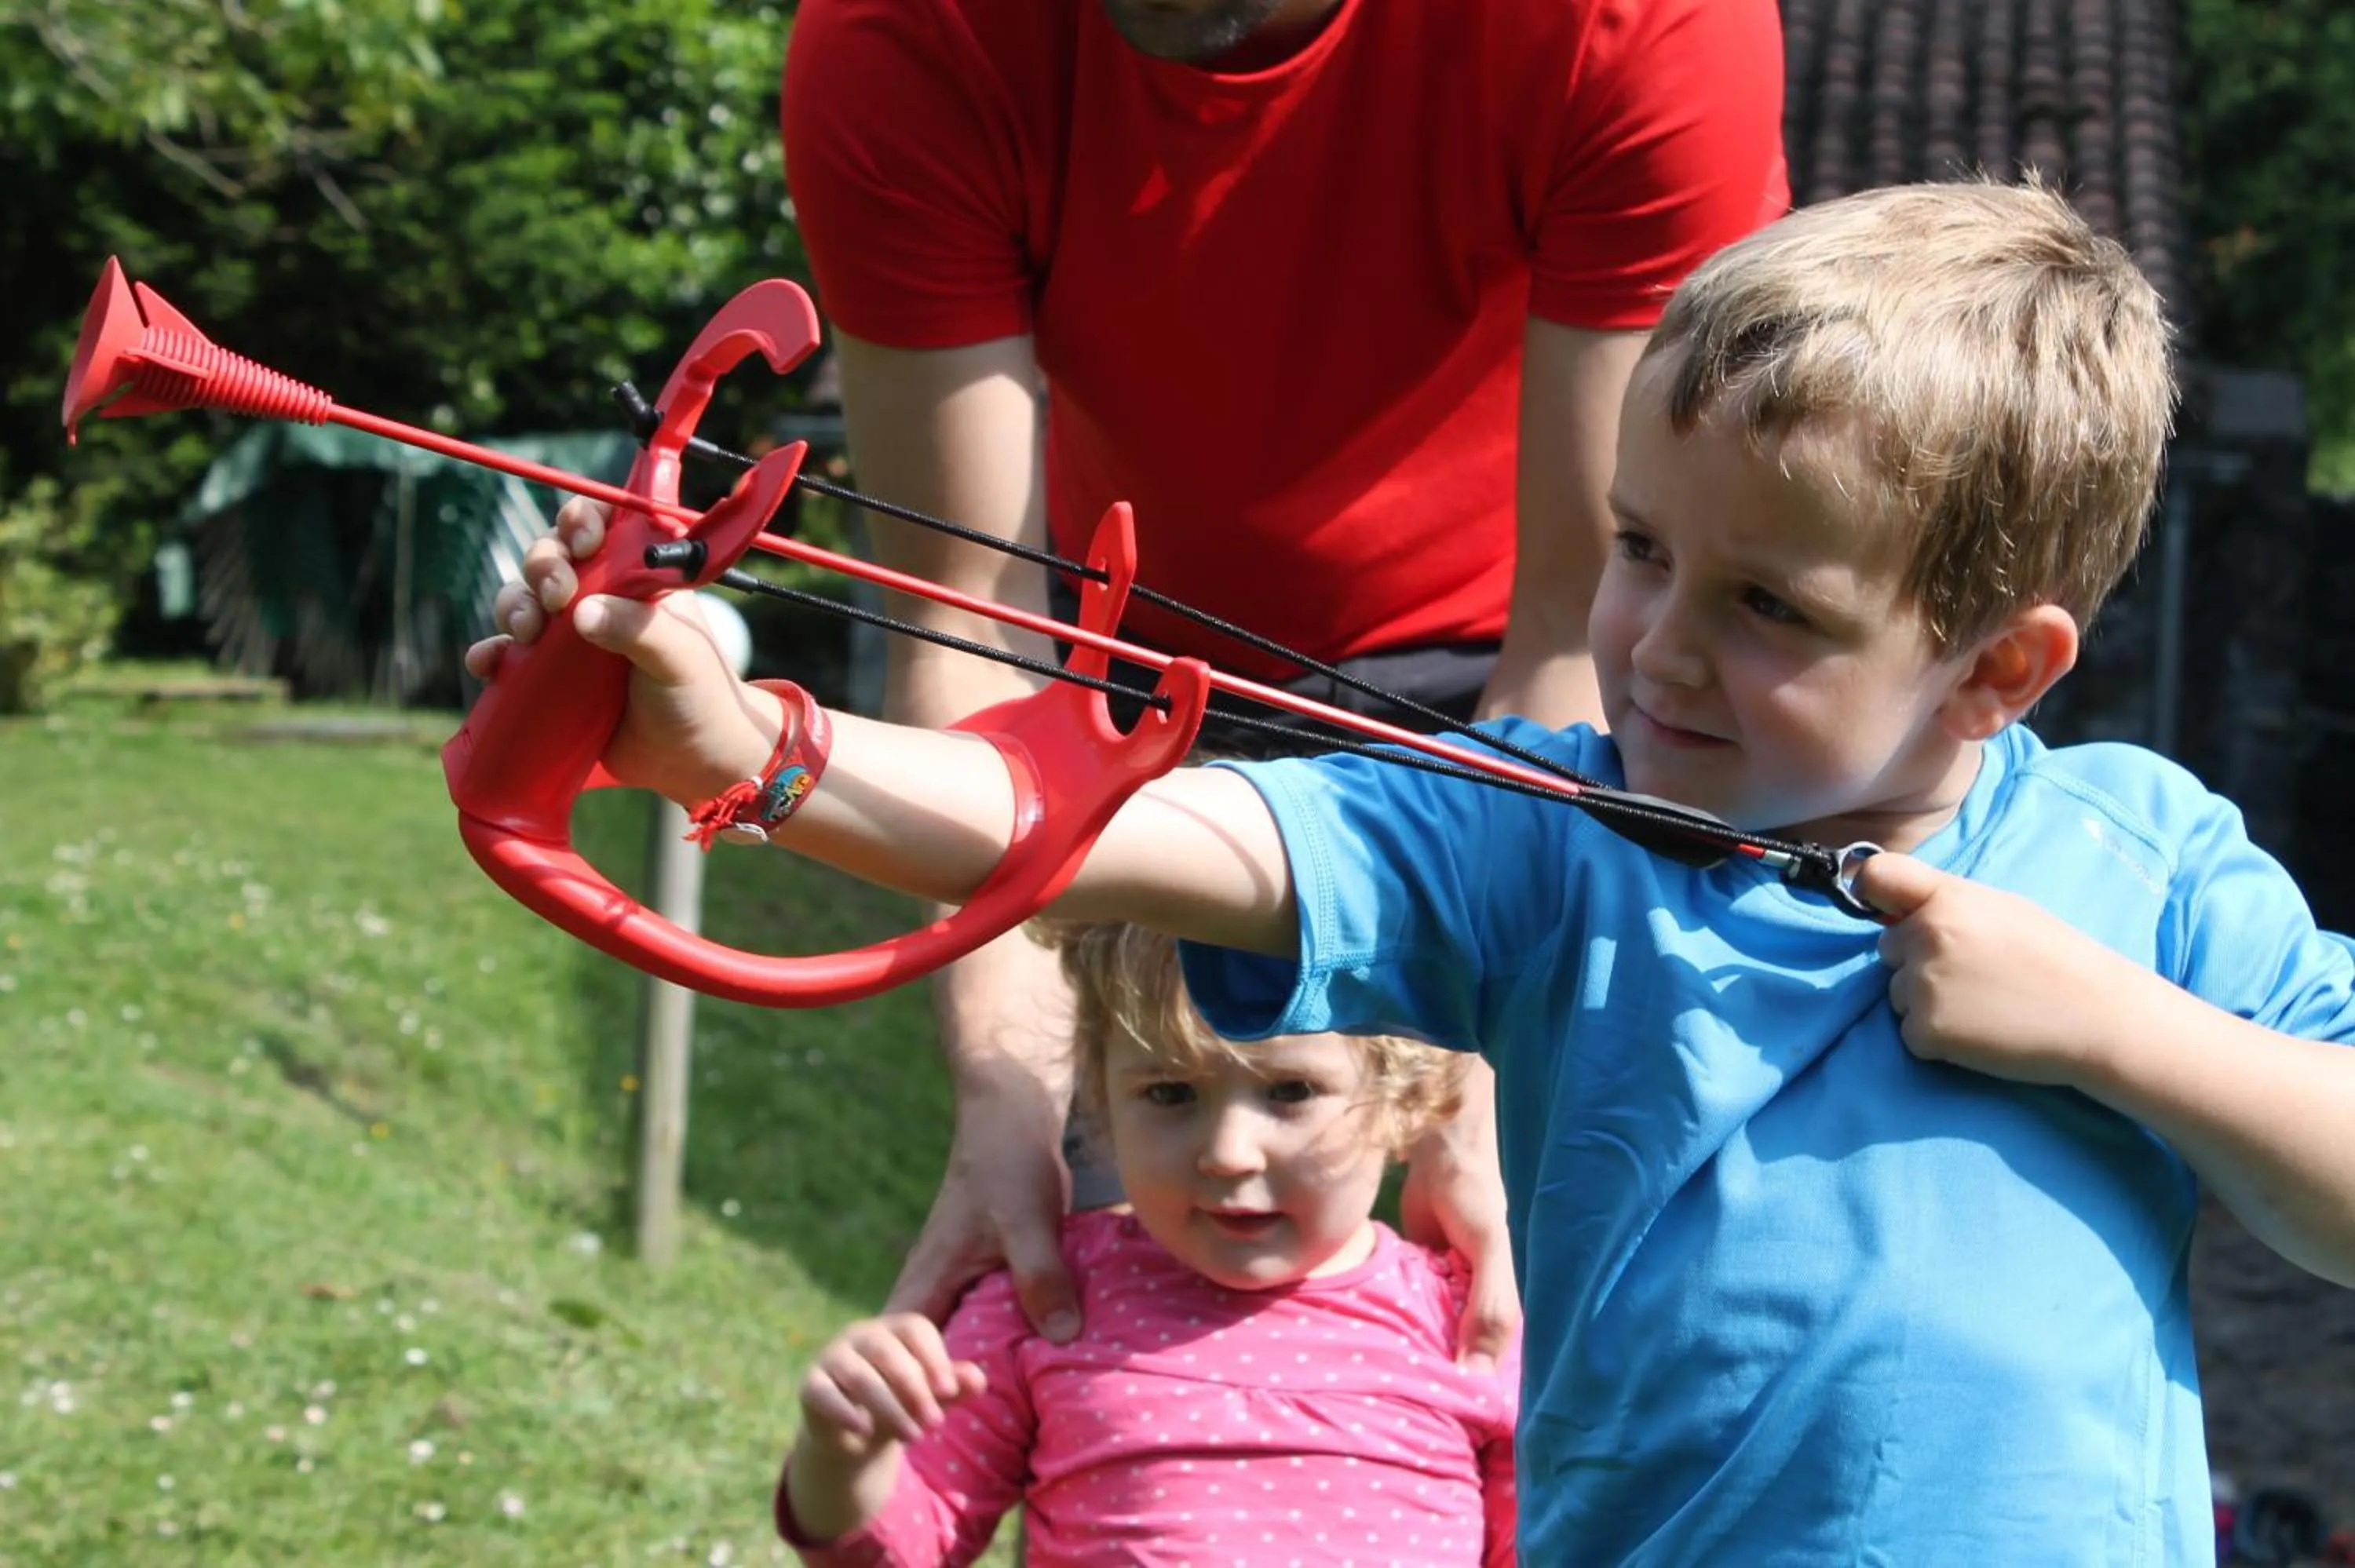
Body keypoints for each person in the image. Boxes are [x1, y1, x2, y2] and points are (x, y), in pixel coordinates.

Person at [469, 177, 2355, 1559]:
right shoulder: (1551, 828)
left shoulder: (2142, 862)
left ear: (1999, 664)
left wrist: (2117, 1031)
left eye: (1768, 601)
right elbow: (1143, 823)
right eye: (1635, 549)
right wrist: (761, 753)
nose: (1655, 645)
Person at [777, 0, 1792, 1354]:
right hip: (1125, 715)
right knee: (1107, 1331)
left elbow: (1580, 635)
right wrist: (1013, 1093)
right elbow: (978, 631)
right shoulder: (908, 37)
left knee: (1544, 1314)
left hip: (1520, 711)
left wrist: (1474, 1086)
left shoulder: (1627, 22)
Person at [773, 923, 1518, 1566]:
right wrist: (844, 1455)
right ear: (1098, 1101)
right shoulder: (1052, 1298)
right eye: (1169, 1093)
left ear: (1404, 1101)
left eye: (1289, 1091)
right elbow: (900, 1547)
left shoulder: (1470, 1324)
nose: (1229, 1152)